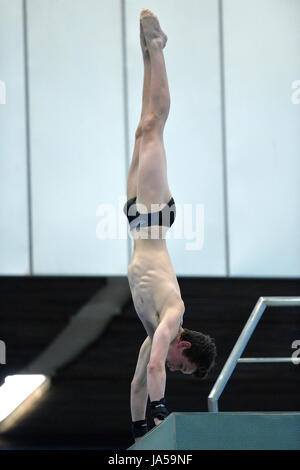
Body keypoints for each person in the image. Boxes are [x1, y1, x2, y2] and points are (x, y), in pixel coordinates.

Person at [124, 8, 216, 442]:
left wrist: (140, 431)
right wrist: (163, 413)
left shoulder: (151, 334)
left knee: (142, 129)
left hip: (135, 221)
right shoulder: (173, 314)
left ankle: (148, 54)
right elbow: (159, 366)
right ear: (184, 345)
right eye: (185, 365)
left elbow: (140, 381)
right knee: (154, 125)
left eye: (181, 371)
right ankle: (159, 48)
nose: (175, 368)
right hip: (154, 220)